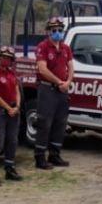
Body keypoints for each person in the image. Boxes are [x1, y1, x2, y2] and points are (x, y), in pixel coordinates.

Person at [34, 17, 74, 169]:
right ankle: (40, 158)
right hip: (48, 89)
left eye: (60, 30)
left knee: (60, 123)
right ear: (48, 32)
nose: (57, 33)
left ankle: (55, 155)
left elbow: (71, 67)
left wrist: (68, 82)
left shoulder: (65, 48)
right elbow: (43, 69)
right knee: (44, 123)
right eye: (54, 30)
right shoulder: (43, 47)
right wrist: (59, 82)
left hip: (63, 89)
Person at [0, 45, 24, 186]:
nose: (5, 60)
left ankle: (10, 168)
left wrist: (17, 106)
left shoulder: (12, 74)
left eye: (8, 58)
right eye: (3, 57)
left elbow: (17, 91)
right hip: (0, 112)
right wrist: (8, 108)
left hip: (13, 111)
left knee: (12, 141)